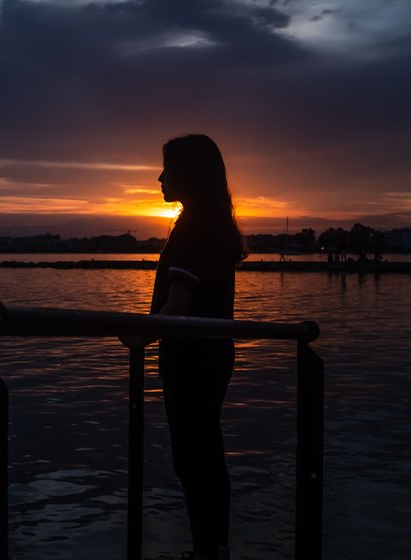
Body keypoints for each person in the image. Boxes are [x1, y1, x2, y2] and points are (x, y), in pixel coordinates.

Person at [122, 134, 245, 560]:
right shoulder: (214, 224)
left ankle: (206, 550)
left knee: (193, 458)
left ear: (188, 175)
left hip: (190, 359)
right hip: (212, 354)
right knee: (206, 453)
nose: (159, 178)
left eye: (167, 169)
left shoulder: (192, 230)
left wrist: (138, 336)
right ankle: (214, 547)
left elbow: (177, 306)